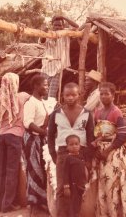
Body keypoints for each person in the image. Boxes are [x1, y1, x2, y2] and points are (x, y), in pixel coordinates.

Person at [87, 82, 126, 216]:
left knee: (113, 184)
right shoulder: (97, 112)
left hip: (113, 153)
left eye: (106, 94)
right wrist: (97, 150)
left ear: (113, 96)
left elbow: (122, 135)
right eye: (101, 94)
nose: (103, 97)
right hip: (101, 154)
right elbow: (95, 133)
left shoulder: (116, 112)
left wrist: (107, 150)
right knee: (103, 185)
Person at [47, 82, 95, 217]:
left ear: (78, 96)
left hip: (81, 154)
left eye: (73, 94)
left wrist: (88, 158)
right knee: (62, 187)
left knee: (78, 188)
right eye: (67, 95)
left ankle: (75, 214)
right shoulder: (56, 114)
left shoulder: (87, 113)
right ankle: (62, 214)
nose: (70, 97)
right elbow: (50, 135)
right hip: (63, 153)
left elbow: (91, 136)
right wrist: (53, 154)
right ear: (62, 96)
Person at [0, 73, 28, 213]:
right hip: (15, 136)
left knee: (1, 170)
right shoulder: (23, 96)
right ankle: (7, 204)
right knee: (12, 171)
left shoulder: (0, 99)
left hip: (2, 136)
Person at [23, 75, 50, 215]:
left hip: (40, 139)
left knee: (41, 170)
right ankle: (34, 203)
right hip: (32, 140)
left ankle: (40, 201)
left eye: (47, 85)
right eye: (44, 85)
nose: (47, 87)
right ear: (35, 86)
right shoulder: (30, 103)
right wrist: (42, 132)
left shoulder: (41, 102)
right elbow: (28, 123)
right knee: (34, 170)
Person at [39, 16, 76, 98]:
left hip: (58, 69)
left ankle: (50, 110)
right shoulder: (48, 34)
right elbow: (41, 41)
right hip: (46, 68)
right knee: (42, 93)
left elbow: (76, 27)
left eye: (60, 25)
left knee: (51, 95)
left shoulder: (66, 33)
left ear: (63, 26)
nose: (57, 27)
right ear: (52, 25)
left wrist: (64, 17)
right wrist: (44, 33)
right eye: (55, 25)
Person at [62, 134, 87, 217]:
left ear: (80, 145)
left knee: (79, 202)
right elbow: (65, 173)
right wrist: (66, 187)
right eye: (71, 144)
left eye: (76, 144)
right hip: (73, 186)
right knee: (73, 203)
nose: (74, 146)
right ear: (67, 147)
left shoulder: (81, 156)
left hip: (81, 184)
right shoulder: (68, 158)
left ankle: (77, 214)